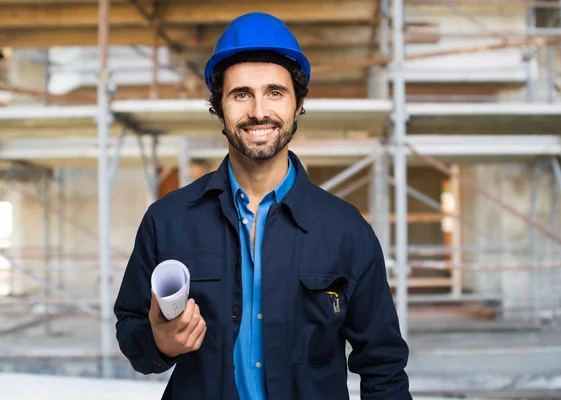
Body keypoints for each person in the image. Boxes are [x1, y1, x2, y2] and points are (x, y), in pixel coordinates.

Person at [114, 12, 411, 400]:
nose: (258, 111)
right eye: (241, 94)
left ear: (298, 103)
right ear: (218, 106)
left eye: (275, 92)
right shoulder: (167, 220)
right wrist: (162, 342)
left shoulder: (346, 230)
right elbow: (131, 328)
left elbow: (383, 365)